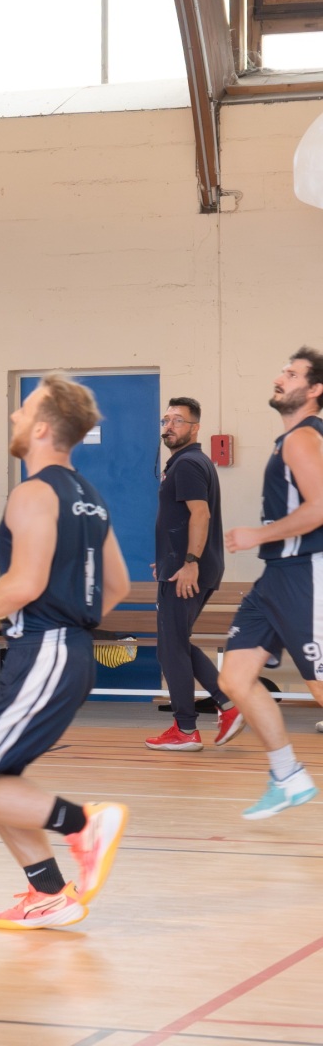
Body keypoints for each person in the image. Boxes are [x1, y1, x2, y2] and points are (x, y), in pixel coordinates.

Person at [0, 374, 130, 931]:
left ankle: (84, 824)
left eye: (24, 409)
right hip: (65, 652)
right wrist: (72, 621)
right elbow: (117, 585)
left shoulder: (33, 493)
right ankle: (50, 893)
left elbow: (25, 584)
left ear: (41, 429)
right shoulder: (89, 497)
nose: (14, 416)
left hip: (45, 653)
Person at [218, 349, 323, 819]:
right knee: (234, 678)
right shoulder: (290, 440)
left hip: (305, 572)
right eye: (282, 371)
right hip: (275, 578)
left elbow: (320, 507)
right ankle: (287, 777)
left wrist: (257, 535)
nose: (280, 378)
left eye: (292, 374)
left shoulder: (303, 438)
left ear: (315, 390)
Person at [145, 397, 238, 750]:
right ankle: (225, 705)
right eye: (166, 420)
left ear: (195, 427)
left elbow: (201, 514)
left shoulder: (187, 464)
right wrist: (170, 559)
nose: (169, 426)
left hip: (189, 569)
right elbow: (181, 519)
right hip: (181, 565)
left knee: (171, 648)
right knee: (174, 644)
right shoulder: (189, 462)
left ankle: (187, 729)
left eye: (178, 421)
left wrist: (189, 562)